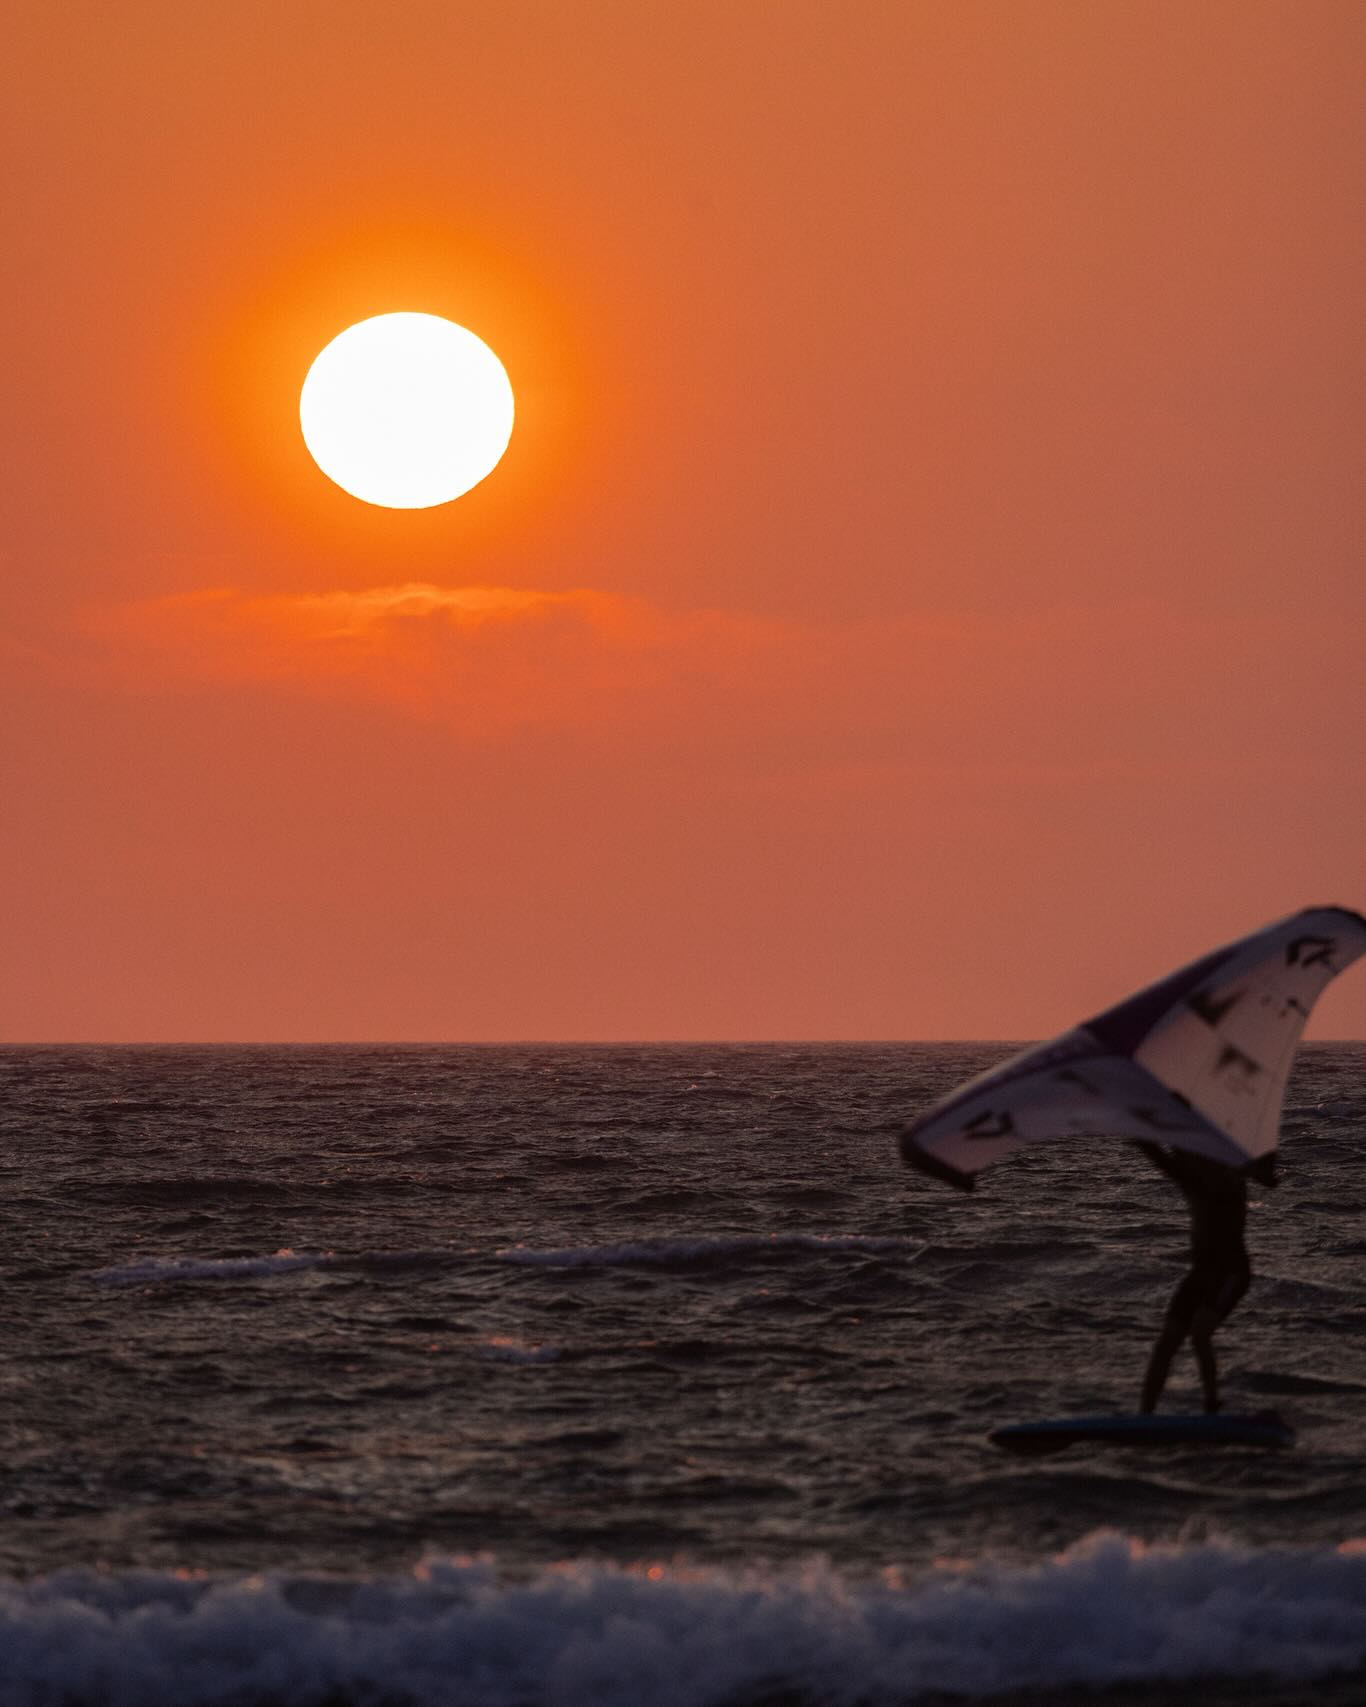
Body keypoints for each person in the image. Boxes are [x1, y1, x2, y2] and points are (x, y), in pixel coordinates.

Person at [1132, 1139, 1270, 1415]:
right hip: (1201, 1273)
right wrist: (1134, 1128)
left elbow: (1267, 1174)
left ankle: (1211, 1405)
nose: (1182, 1160)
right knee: (1167, 1341)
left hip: (1232, 1271)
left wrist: (1251, 1167)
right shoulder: (1188, 1176)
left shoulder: (1228, 1178)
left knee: (1199, 1334)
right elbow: (1161, 1156)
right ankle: (1145, 1415)